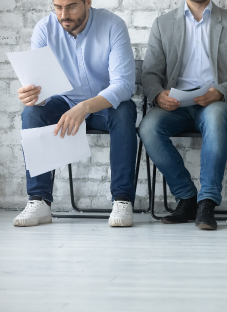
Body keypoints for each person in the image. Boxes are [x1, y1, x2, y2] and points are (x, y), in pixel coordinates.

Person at [13, 0, 137, 227]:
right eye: (57, 7)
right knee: (31, 113)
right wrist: (32, 95)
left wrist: (85, 107)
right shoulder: (44, 29)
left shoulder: (113, 25)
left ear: (88, 2)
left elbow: (124, 85)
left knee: (126, 110)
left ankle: (122, 199)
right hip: (63, 101)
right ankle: (38, 200)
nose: (63, 14)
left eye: (71, 6)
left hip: (104, 104)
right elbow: (40, 87)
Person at [138, 0, 227, 230]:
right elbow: (150, 72)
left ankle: (207, 202)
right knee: (148, 128)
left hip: (220, 103)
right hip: (177, 104)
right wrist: (158, 95)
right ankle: (187, 198)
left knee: (213, 117)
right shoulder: (163, 24)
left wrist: (220, 92)